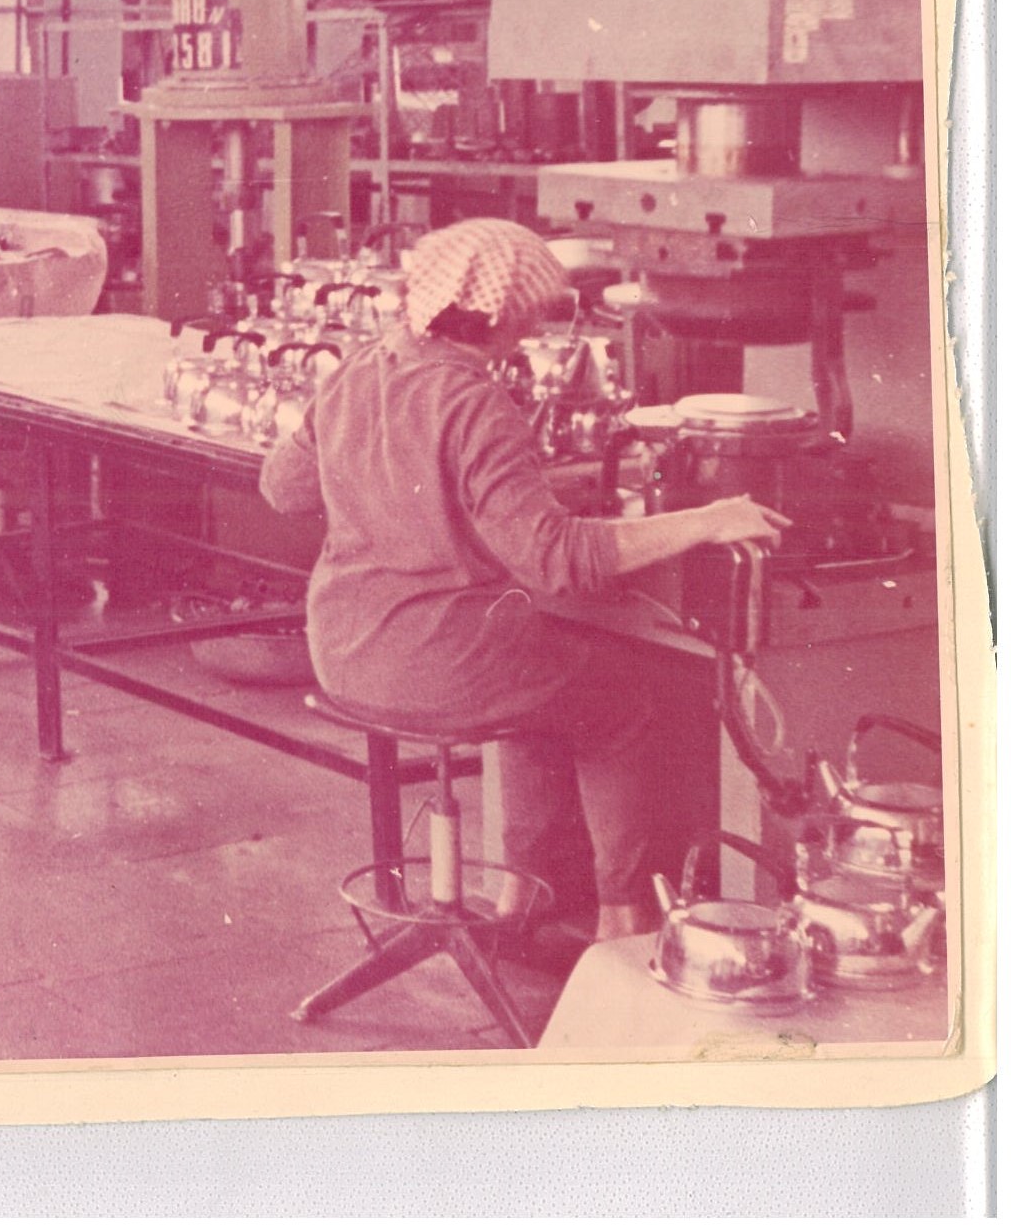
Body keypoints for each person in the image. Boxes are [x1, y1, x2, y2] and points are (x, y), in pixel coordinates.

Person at [258, 217, 790, 942]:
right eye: (533, 314)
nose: (535, 328)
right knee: (625, 700)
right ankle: (622, 917)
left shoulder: (359, 367)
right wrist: (708, 519)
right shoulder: (474, 402)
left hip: (344, 649)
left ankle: (523, 903)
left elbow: (283, 488)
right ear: (503, 314)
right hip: (433, 662)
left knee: (544, 686)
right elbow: (556, 560)